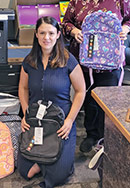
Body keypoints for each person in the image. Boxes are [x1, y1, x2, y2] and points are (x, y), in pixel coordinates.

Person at [62, 0, 130, 153]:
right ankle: (92, 134)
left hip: (111, 59)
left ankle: (108, 137)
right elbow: (65, 23)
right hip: (84, 60)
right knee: (88, 98)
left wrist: (124, 30)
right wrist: (75, 30)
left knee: (109, 99)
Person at [18, 16, 86, 188]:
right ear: (36, 34)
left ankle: (52, 163)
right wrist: (26, 114)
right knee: (25, 170)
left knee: (59, 176)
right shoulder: (29, 60)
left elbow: (80, 91)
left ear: (57, 35)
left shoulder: (68, 60)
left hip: (61, 123)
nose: (46, 37)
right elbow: (23, 89)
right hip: (36, 121)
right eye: (42, 33)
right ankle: (46, 161)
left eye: (50, 33)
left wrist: (70, 121)